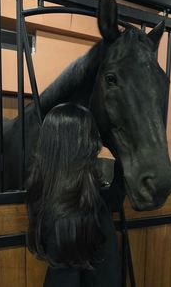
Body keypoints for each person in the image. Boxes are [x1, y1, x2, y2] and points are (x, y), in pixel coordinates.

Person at [26, 103, 121, 287]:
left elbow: (115, 199)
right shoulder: (85, 202)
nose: (96, 144)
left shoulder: (47, 196)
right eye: (92, 138)